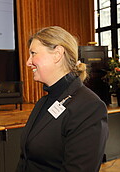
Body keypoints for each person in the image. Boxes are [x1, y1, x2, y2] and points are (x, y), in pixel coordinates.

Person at [16, 26, 108, 172]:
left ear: (57, 54)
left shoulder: (90, 107)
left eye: (33, 53)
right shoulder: (43, 102)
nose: (28, 62)